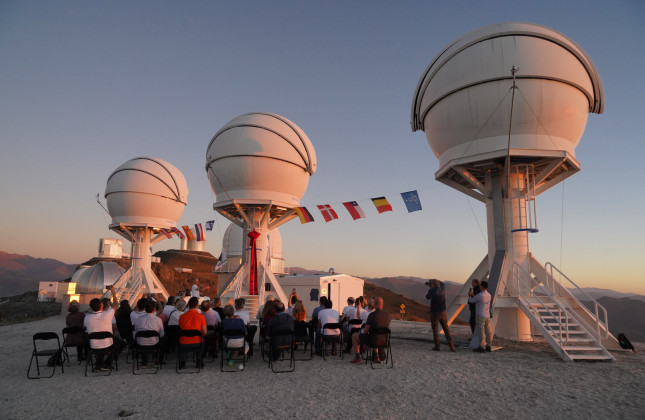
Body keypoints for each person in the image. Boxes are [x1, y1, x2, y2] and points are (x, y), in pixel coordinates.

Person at [83, 292, 120, 371]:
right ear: (101, 305)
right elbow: (116, 304)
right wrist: (113, 292)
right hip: (107, 344)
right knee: (120, 344)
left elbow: (86, 329)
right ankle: (106, 364)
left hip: (93, 345)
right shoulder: (107, 315)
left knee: (100, 343)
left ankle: (98, 365)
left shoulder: (87, 317)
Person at [350, 296, 391, 364]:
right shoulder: (388, 315)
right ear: (382, 304)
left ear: (375, 304)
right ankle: (376, 356)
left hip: (373, 341)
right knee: (376, 335)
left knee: (354, 336)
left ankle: (358, 358)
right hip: (385, 341)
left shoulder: (372, 315)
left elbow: (366, 330)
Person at [133, 299, 166, 366]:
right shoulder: (158, 319)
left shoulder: (139, 319)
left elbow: (135, 332)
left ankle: (144, 362)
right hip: (154, 343)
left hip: (140, 343)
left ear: (145, 309)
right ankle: (158, 360)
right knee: (164, 340)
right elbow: (162, 334)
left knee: (142, 339)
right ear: (154, 309)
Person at [426, 280, 455, 352]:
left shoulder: (431, 290)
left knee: (435, 329)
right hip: (442, 312)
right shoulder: (442, 289)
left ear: (432, 285)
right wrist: (436, 281)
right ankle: (451, 346)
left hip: (434, 312)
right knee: (446, 329)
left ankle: (437, 346)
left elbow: (427, 297)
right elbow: (443, 284)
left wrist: (430, 287)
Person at [178, 297, 207, 369]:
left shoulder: (182, 316)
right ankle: (199, 361)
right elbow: (205, 332)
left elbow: (181, 329)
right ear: (197, 305)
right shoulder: (201, 317)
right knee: (202, 340)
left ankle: (183, 362)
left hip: (184, 343)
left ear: (188, 305)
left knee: (183, 339)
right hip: (197, 343)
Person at [468, 280, 493, 353]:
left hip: (480, 315)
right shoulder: (489, 295)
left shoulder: (480, 295)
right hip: (487, 315)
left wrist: (470, 295)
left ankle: (482, 346)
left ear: (482, 286)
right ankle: (488, 346)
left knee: (481, 331)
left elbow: (471, 301)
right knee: (488, 331)